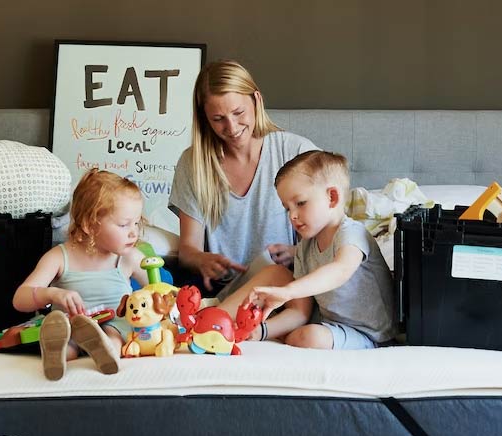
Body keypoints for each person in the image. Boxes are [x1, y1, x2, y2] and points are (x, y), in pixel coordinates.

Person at [169, 59, 317, 342]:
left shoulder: (295, 152)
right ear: (204, 118)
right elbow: (188, 250)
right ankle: (213, 325)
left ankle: (209, 328)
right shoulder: (193, 164)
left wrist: (297, 252)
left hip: (283, 289)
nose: (232, 127)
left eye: (239, 113)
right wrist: (202, 259)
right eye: (218, 119)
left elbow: (328, 234)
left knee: (280, 277)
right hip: (222, 290)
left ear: (256, 100)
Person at [249, 151, 396, 350]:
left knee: (310, 337)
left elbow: (340, 271)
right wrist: (261, 331)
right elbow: (300, 311)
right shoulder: (305, 247)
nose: (292, 215)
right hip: (332, 326)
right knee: (301, 329)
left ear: (332, 197)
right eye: (287, 208)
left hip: (372, 335)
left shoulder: (351, 233)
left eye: (300, 203)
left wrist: (288, 291)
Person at [13, 169, 149, 379]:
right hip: (73, 325)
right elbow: (20, 299)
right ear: (89, 224)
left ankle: (105, 351)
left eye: (136, 223)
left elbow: (160, 290)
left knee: (115, 332)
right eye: (124, 225)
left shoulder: (129, 257)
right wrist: (52, 294)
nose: (134, 232)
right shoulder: (59, 257)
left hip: (115, 323)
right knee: (68, 337)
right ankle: (57, 355)